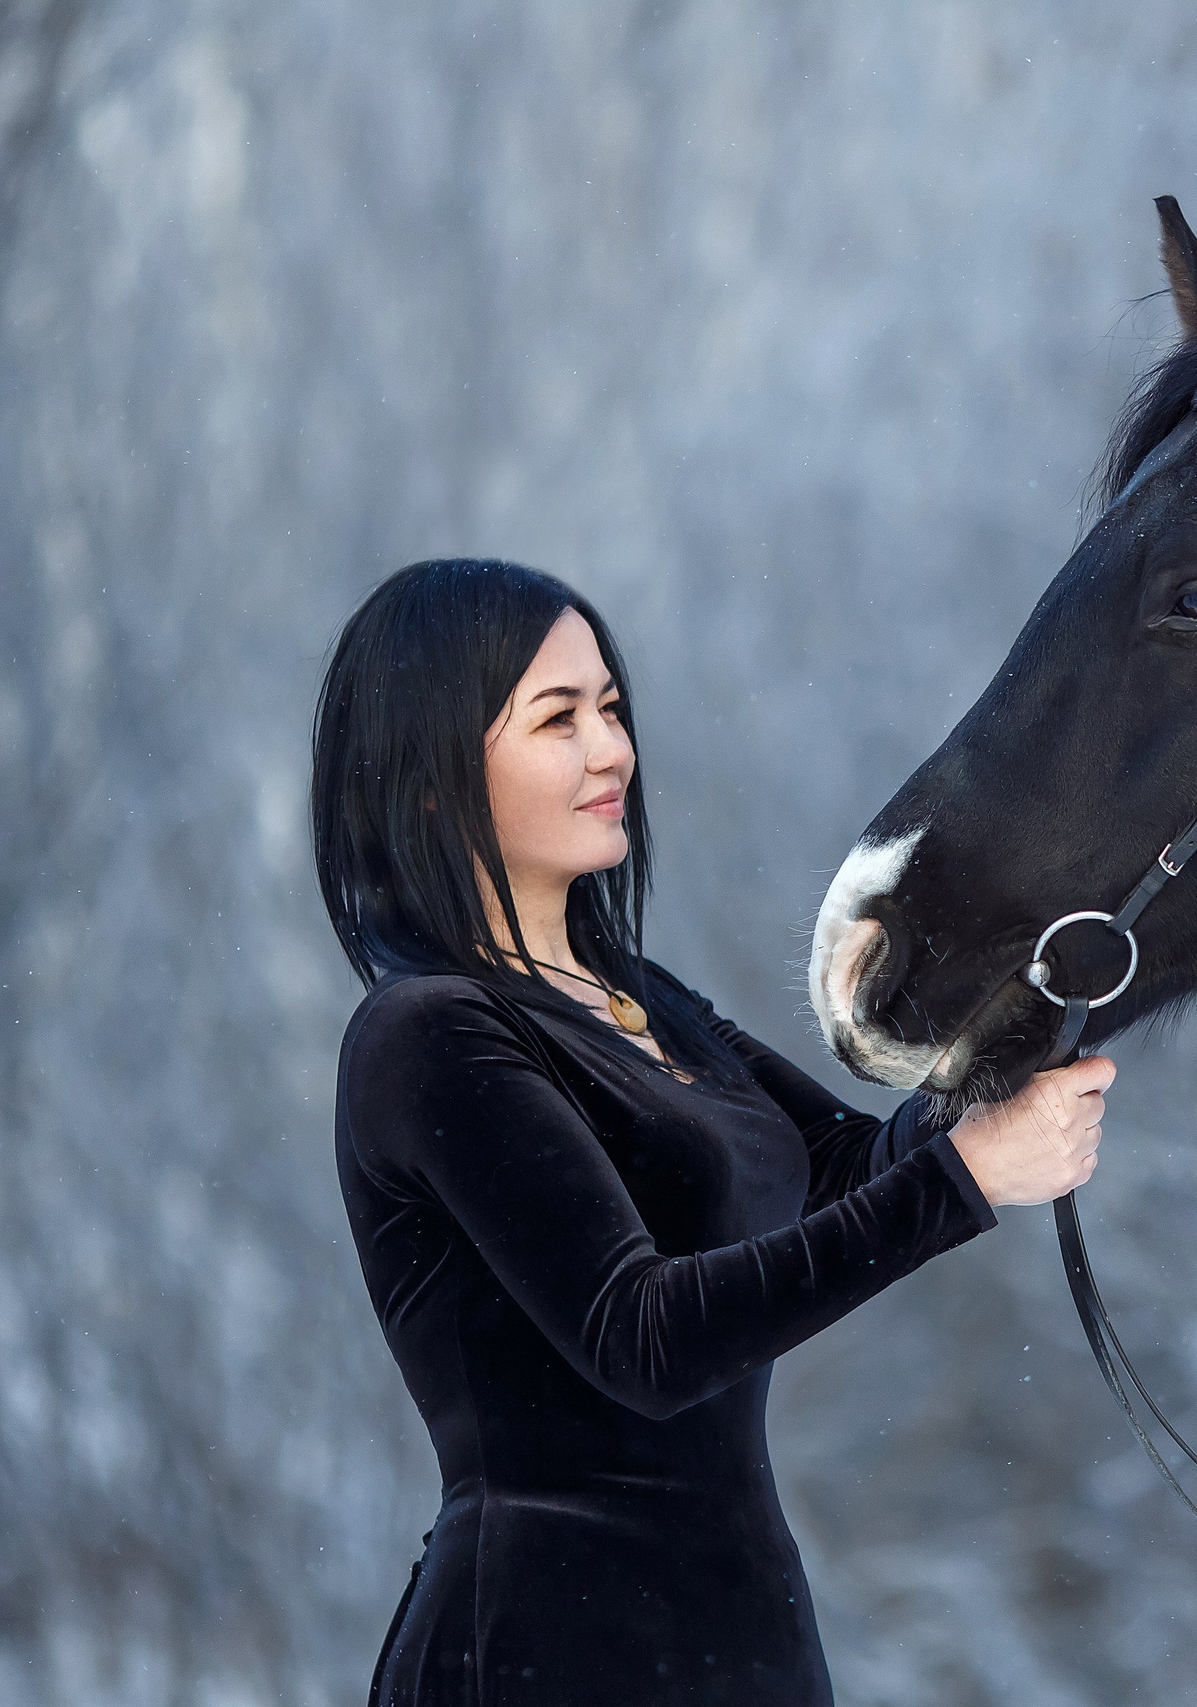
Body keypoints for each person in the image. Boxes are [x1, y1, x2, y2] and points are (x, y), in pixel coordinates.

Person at [311, 558, 1112, 1705]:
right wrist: (968, 1178)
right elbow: (645, 1339)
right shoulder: (430, 1035)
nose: (611, 750)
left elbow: (845, 1169)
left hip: (739, 1630)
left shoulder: (640, 1000)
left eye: (610, 708)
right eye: (557, 719)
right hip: (550, 1644)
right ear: (431, 778)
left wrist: (1006, 1043)